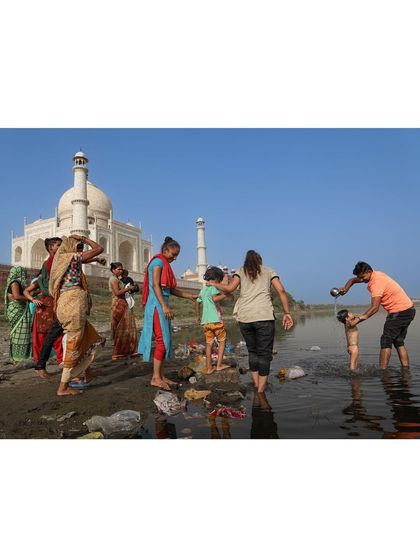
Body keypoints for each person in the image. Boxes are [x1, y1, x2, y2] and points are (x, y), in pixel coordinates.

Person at [208, 250, 293, 393]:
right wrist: (287, 313)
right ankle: (260, 391)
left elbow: (229, 289)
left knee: (253, 352)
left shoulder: (241, 271)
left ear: (246, 261)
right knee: (265, 354)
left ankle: (256, 385)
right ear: (260, 260)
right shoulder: (268, 271)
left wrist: (212, 284)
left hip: (245, 318)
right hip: (264, 316)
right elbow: (281, 290)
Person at [138, 236, 197, 390]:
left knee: (164, 340)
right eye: (173, 254)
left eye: (177, 255)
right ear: (165, 250)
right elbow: (157, 286)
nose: (175, 258)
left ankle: (160, 375)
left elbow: (169, 289)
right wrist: (164, 306)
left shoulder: (165, 264)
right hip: (157, 305)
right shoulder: (157, 262)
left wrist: (189, 296)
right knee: (161, 342)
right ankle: (155, 378)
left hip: (162, 304)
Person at [49, 235, 105, 396]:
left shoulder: (60, 261)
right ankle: (63, 387)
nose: (78, 248)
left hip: (63, 304)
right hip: (73, 304)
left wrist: (95, 260)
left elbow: (86, 259)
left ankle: (88, 372)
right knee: (74, 344)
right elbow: (99, 248)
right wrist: (84, 238)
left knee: (90, 338)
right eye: (77, 245)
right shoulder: (72, 257)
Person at [338, 261, 415, 369]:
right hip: (408, 310)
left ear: (369, 271)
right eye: (359, 277)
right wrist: (346, 288)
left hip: (399, 312)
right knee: (398, 341)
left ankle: (383, 372)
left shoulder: (376, 283)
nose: (362, 280)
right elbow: (352, 280)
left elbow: (374, 308)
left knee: (385, 340)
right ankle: (406, 370)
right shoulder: (373, 274)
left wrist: (358, 319)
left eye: (363, 277)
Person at [24, 237, 64, 378]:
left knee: (59, 335)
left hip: (57, 303)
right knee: (42, 336)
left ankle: (62, 362)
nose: (61, 247)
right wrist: (33, 300)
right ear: (50, 248)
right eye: (58, 245)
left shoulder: (57, 264)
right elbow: (26, 291)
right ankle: (40, 366)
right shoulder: (48, 267)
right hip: (45, 306)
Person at [195, 266, 231, 373]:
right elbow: (215, 298)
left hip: (206, 322)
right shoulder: (213, 288)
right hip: (216, 321)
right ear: (216, 279)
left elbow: (197, 302)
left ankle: (209, 368)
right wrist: (226, 294)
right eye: (219, 280)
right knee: (222, 341)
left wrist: (197, 316)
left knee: (208, 344)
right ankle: (219, 365)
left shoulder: (203, 290)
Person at [109, 262, 139, 360]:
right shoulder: (113, 279)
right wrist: (128, 288)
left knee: (126, 328)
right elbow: (117, 292)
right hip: (118, 304)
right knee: (120, 329)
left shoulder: (119, 279)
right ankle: (117, 352)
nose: (121, 271)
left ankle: (128, 350)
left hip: (123, 304)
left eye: (121, 269)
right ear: (113, 270)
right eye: (119, 269)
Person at [4, 266, 32, 363]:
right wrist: (30, 299)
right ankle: (18, 357)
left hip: (18, 310)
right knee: (19, 333)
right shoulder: (15, 283)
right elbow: (17, 296)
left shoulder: (17, 283)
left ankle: (19, 357)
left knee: (18, 334)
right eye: (23, 273)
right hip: (17, 310)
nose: (25, 275)